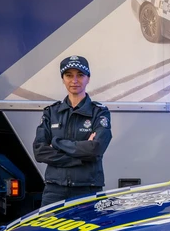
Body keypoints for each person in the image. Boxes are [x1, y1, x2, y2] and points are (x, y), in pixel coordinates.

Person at [33, 55, 112, 206]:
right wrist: (79, 159)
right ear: (63, 79)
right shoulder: (51, 112)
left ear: (88, 79)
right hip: (54, 191)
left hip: (88, 190)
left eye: (80, 75)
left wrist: (56, 143)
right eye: (69, 75)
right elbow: (39, 151)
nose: (74, 80)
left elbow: (95, 149)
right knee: (48, 224)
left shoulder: (99, 112)